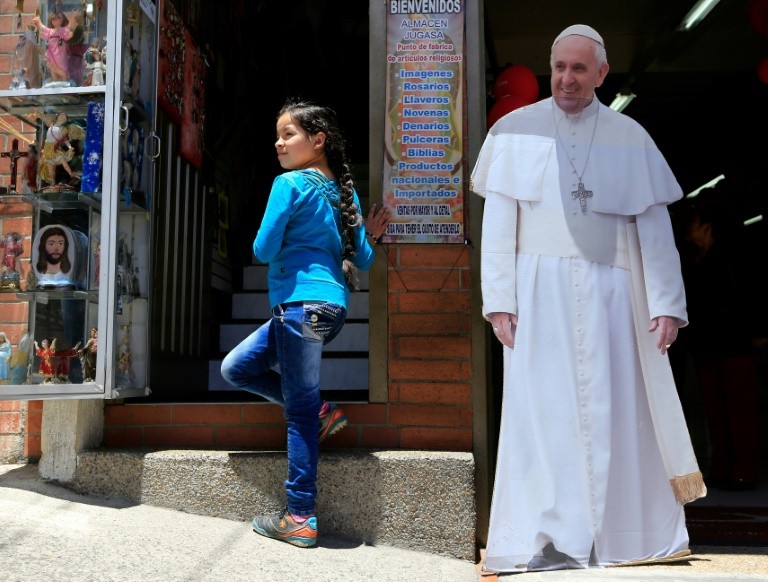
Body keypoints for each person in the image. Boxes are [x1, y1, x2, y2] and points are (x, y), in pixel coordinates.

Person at [470, 24, 706, 573]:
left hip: (612, 295)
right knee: (543, 415)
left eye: (579, 69)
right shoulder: (513, 130)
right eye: (559, 68)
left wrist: (666, 303)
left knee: (615, 413)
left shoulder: (630, 136)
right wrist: (498, 299)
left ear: (601, 74)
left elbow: (654, 229)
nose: (566, 79)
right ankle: (547, 537)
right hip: (537, 294)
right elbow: (500, 225)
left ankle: (623, 535)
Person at [220, 98, 391, 548]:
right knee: (236, 368)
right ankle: (320, 411)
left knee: (296, 415)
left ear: (318, 140)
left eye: (288, 134)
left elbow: (262, 249)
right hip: (328, 312)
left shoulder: (288, 184)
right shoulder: (344, 194)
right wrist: (368, 235)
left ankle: (300, 516)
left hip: (299, 309)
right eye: (277, 136)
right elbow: (364, 261)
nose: (279, 143)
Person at [673, 188, 766, 491]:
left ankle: (743, 471)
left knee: (739, 409)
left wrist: (759, 331)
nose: (688, 231)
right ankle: (724, 467)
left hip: (734, 343)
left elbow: (751, 295)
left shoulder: (734, 255)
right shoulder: (694, 259)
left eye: (694, 223)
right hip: (708, 346)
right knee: (716, 411)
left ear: (707, 225)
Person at [31, 11, 74, 86]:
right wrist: (38, 22)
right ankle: (55, 81)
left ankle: (65, 80)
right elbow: (43, 28)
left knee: (62, 67)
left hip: (60, 52)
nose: (55, 19)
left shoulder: (63, 30)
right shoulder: (50, 31)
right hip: (51, 52)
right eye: (53, 18)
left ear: (63, 20)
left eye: (58, 18)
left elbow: (69, 29)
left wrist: (73, 19)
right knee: (52, 66)